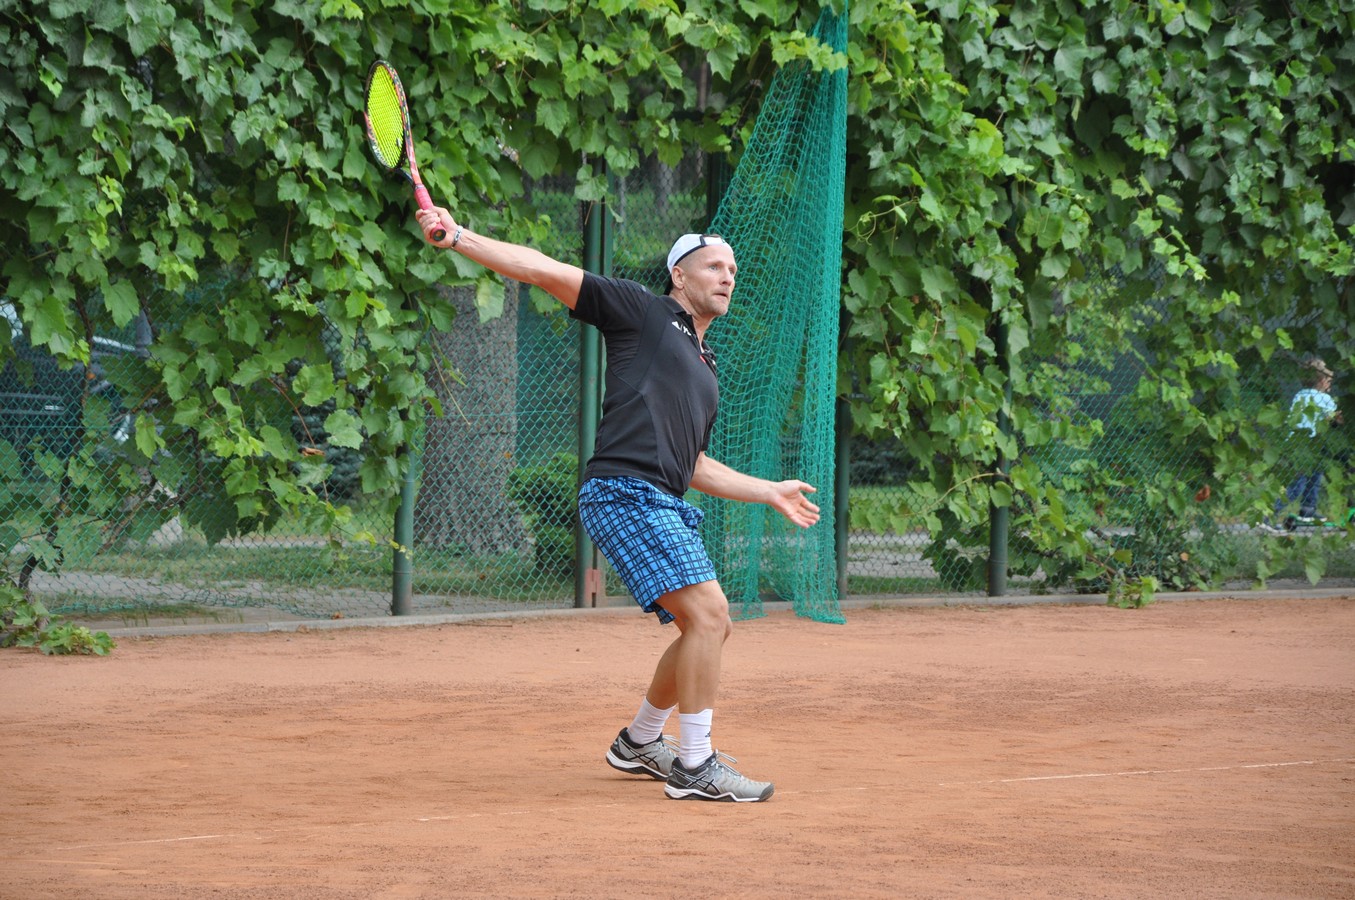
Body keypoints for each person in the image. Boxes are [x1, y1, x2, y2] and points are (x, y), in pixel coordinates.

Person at [415, 208, 820, 802]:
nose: (727, 277)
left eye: (732, 270)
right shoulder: (643, 312)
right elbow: (543, 269)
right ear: (679, 275)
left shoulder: (704, 366)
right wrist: (458, 237)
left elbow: (692, 464)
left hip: (661, 497)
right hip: (624, 491)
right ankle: (695, 766)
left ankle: (639, 741)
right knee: (710, 615)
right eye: (713, 266)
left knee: (710, 625)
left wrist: (768, 490)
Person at [1274, 357, 1341, 527]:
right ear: (1322, 381)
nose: (1330, 385)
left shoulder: (1300, 395)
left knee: (1315, 475)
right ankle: (1269, 513)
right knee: (1298, 485)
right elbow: (1334, 419)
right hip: (1308, 448)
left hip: (1296, 443)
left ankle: (1308, 510)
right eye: (1329, 381)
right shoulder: (1324, 399)